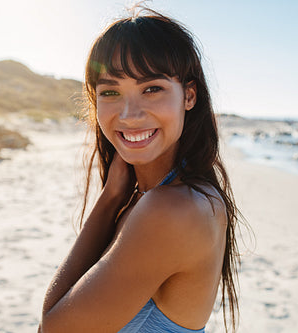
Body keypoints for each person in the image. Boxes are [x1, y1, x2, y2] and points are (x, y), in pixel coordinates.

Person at [39, 7, 244, 333]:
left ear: (188, 95)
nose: (129, 114)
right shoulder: (168, 195)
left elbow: (52, 329)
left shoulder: (170, 209)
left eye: (152, 89)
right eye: (110, 92)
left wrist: (108, 201)